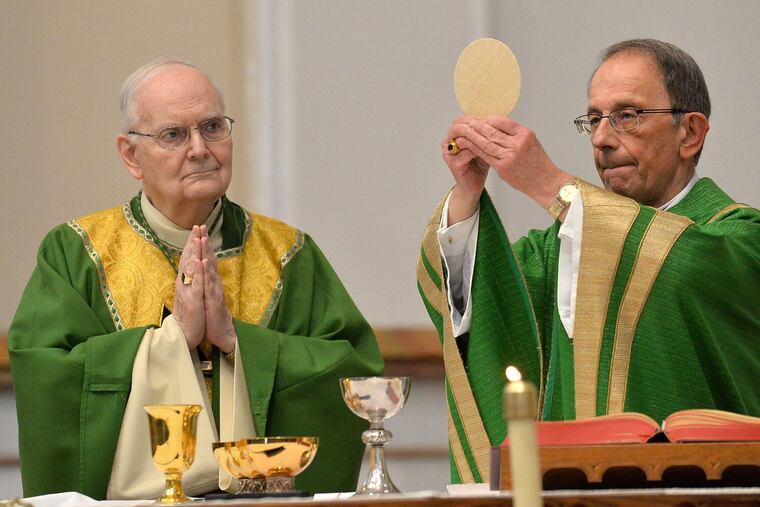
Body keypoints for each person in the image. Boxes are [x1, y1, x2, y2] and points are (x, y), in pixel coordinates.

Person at [9, 59, 383, 499]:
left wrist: (239, 343)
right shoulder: (77, 252)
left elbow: (351, 372)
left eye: (212, 127)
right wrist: (172, 340)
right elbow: (47, 381)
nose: (200, 148)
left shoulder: (288, 254)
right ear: (131, 155)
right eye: (173, 134)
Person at [417, 39, 760, 483]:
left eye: (627, 116)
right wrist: (467, 192)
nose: (601, 138)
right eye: (594, 118)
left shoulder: (738, 238)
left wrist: (548, 183)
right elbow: (483, 303)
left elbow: (678, 267)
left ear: (690, 133)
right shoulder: (561, 246)